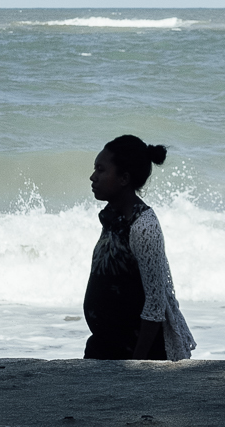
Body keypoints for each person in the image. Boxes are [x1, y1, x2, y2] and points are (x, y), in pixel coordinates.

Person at [84, 135, 195, 361]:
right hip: (105, 344)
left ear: (124, 178)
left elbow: (155, 306)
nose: (93, 177)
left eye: (101, 170)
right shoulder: (113, 217)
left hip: (134, 353)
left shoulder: (144, 227)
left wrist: (138, 365)